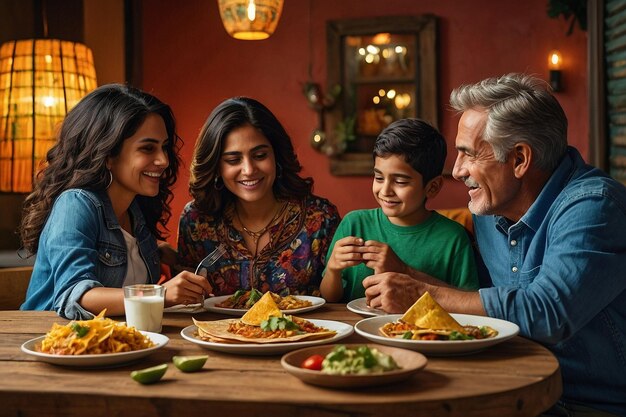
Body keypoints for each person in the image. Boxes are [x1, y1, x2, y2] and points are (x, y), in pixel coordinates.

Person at [362, 74, 626, 416]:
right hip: (511, 387)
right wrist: (407, 276)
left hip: (587, 405)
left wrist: (420, 292)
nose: (456, 171)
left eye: (468, 155)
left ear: (519, 159)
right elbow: (481, 305)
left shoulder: (594, 207)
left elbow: (547, 313)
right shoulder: (490, 206)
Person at [20, 84, 212, 320]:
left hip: (117, 348)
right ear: (108, 155)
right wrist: (159, 294)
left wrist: (162, 253)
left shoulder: (135, 209)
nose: (163, 160)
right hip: (55, 346)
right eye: (147, 148)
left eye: (163, 147)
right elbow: (75, 297)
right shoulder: (75, 204)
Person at [176, 97, 340, 296]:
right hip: (216, 328)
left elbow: (340, 298)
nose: (249, 169)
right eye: (233, 160)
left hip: (304, 328)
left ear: (276, 156)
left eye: (260, 155)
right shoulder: (196, 221)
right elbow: (188, 299)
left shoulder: (320, 217)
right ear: (216, 166)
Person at [320, 118, 479, 302]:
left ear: (432, 187)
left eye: (401, 181)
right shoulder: (354, 223)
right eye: (379, 178)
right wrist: (333, 269)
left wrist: (401, 269)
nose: (385, 190)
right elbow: (329, 298)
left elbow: (467, 301)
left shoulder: (453, 238)